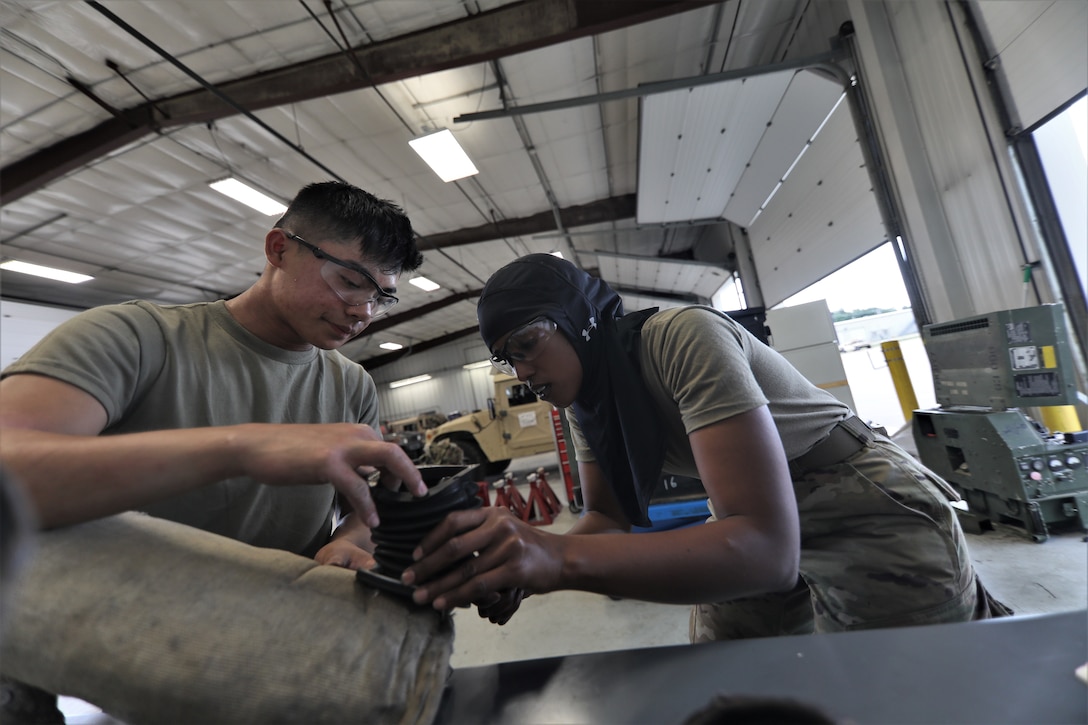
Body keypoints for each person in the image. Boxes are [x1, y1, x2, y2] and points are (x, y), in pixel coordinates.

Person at [403, 253, 1011, 639]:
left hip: (862, 501)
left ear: (579, 319)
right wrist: (527, 563)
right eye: (505, 356)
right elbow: (607, 521)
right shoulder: (586, 402)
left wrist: (554, 559)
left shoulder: (681, 338)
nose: (520, 369)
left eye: (527, 343)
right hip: (750, 515)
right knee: (729, 680)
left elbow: (766, 553)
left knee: (913, 694)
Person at [0, 180, 427, 567]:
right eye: (351, 281)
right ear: (279, 249)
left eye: (381, 297)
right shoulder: (137, 338)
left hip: (282, 629)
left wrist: (353, 539)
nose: (363, 312)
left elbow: (362, 507)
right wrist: (242, 448)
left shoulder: (352, 386)